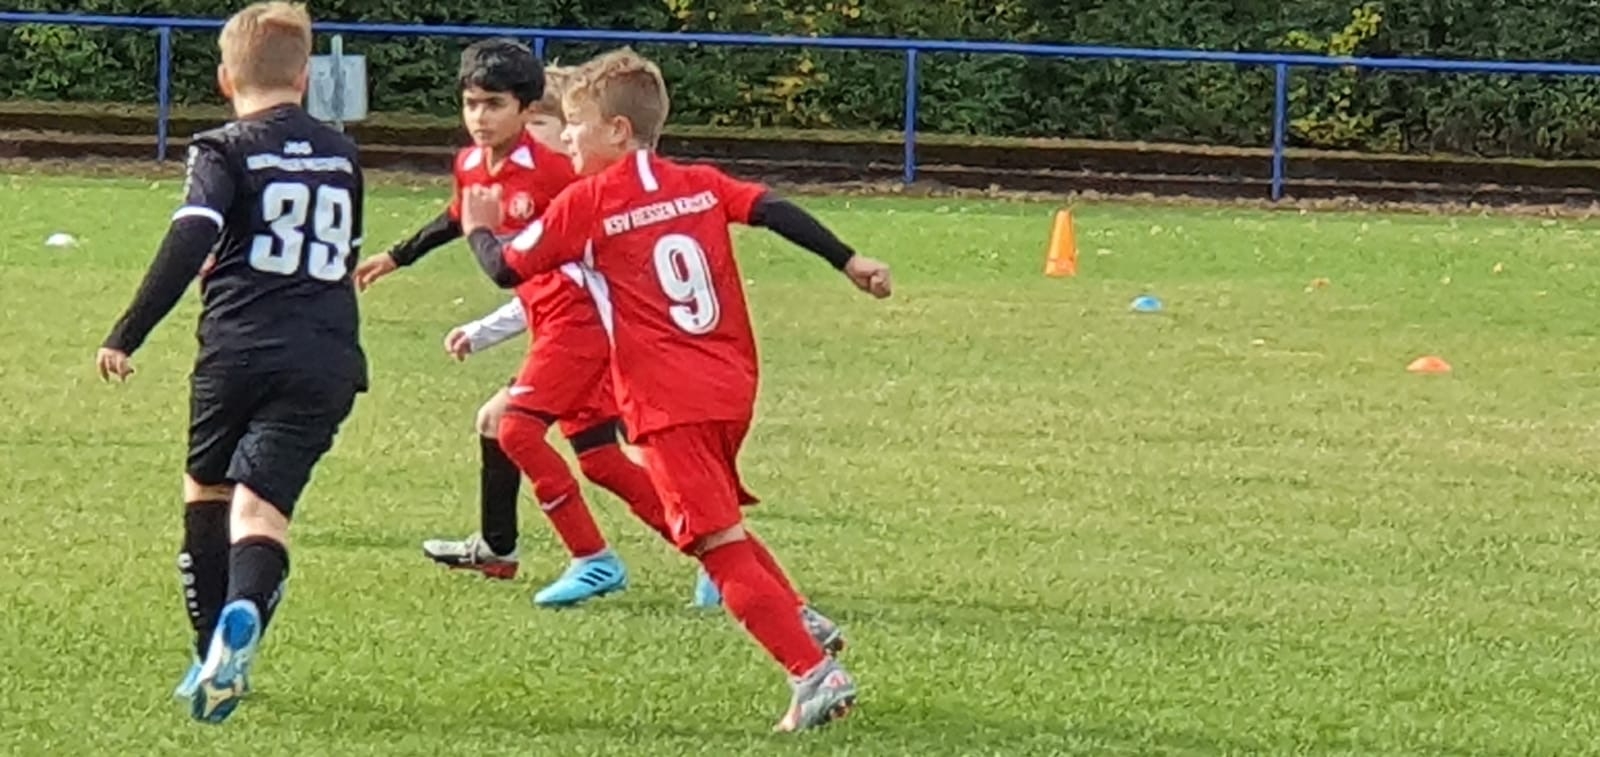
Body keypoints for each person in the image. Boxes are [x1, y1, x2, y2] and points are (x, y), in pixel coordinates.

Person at [458, 48, 890, 732]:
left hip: (666, 398)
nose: (568, 136)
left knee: (714, 544)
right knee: (720, 525)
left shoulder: (588, 202)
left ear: (618, 131)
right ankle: (795, 612)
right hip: (730, 383)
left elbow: (508, 268)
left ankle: (812, 672)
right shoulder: (698, 181)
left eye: (576, 123)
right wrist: (850, 259)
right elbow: (772, 208)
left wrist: (479, 226)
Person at [95, 1, 366, 724]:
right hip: (327, 354)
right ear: (304, 78)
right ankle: (245, 609)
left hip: (239, 348)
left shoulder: (223, 147)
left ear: (224, 79)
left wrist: (128, 331)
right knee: (262, 510)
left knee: (208, 492)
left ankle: (207, 649)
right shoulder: (342, 153)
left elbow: (194, 234)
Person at [352, 40, 683, 608]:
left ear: (527, 111)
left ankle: (592, 558)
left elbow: (607, 223)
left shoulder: (557, 172)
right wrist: (396, 256)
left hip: (579, 323)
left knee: (514, 429)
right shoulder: (470, 163)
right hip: (551, 320)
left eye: (494, 105)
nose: (479, 117)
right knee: (600, 457)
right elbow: (460, 215)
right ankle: (708, 545)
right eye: (471, 104)